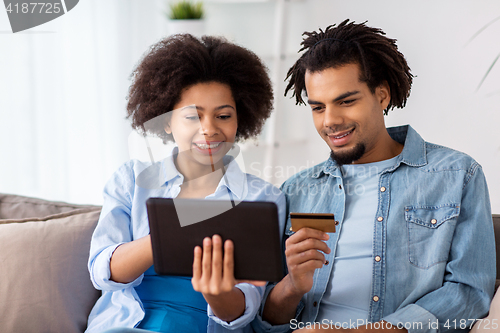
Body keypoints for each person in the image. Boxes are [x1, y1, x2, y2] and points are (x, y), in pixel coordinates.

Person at [251, 20, 495, 333]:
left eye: (346, 101)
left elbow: (469, 293)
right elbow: (264, 320)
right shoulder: (297, 190)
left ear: (382, 95)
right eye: (317, 107)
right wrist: (292, 286)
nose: (330, 121)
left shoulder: (456, 175)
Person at [85, 34, 285, 333]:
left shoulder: (264, 199)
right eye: (193, 116)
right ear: (167, 120)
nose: (209, 129)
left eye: (223, 115)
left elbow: (248, 309)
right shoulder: (132, 180)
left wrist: (217, 293)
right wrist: (168, 236)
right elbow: (103, 272)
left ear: (239, 120)